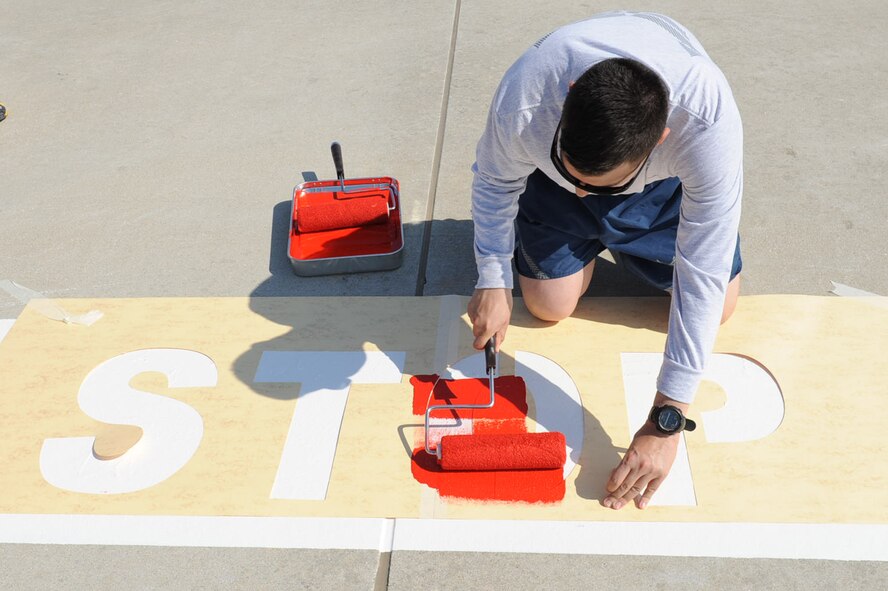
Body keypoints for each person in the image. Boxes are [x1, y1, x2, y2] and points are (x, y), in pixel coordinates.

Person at [466, 11, 743, 510]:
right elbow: (494, 180)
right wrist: (492, 275)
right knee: (548, 305)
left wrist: (668, 418)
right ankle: (573, 224)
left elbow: (703, 263)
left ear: (660, 140)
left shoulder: (706, 123)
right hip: (547, 192)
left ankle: (620, 215)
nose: (582, 189)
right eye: (572, 169)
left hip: (659, 196)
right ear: (568, 95)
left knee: (719, 305)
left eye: (598, 182)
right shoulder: (527, 96)